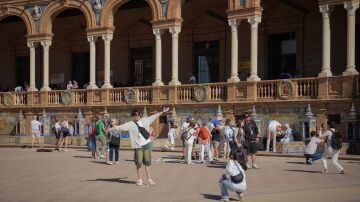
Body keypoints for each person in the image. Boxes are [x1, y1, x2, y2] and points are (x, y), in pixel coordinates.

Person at [112, 107, 170, 186]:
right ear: (133, 116)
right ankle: (140, 180)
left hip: (147, 144)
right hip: (138, 146)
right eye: (135, 115)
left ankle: (149, 179)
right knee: (138, 163)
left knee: (147, 162)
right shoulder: (131, 124)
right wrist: (113, 127)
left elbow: (154, 116)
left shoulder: (145, 120)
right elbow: (121, 127)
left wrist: (162, 112)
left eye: (138, 115)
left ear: (140, 115)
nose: (137, 117)